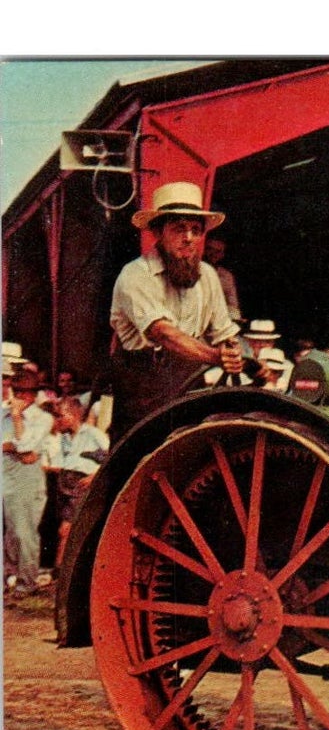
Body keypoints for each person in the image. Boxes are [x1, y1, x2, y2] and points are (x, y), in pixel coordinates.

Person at [109, 181, 243, 439]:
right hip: (143, 389)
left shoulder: (208, 276)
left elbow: (224, 332)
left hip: (191, 382)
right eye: (179, 229)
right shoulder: (135, 275)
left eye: (195, 230)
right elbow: (163, 333)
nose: (189, 238)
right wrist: (216, 357)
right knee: (137, 460)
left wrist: (233, 351)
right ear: (159, 233)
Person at [41, 395, 108, 566]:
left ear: (74, 415)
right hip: (64, 484)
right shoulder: (64, 438)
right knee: (63, 529)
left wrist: (93, 477)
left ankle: (60, 571)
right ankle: (61, 569)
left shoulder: (93, 434)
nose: (58, 420)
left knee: (66, 529)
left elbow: (111, 457)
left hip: (80, 485)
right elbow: (61, 462)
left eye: (61, 416)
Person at [3, 364, 51, 599]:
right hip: (6, 475)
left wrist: (16, 424)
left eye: (26, 392)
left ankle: (27, 581)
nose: (22, 396)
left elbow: (26, 450)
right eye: (18, 391)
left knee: (25, 532)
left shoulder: (42, 419)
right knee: (9, 532)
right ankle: (6, 578)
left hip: (27, 480)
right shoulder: (3, 415)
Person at [203, 234, 243, 323]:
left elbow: (232, 305)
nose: (213, 254)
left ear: (222, 255)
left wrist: (235, 322)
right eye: (210, 249)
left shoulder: (226, 276)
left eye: (218, 251)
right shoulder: (190, 272)